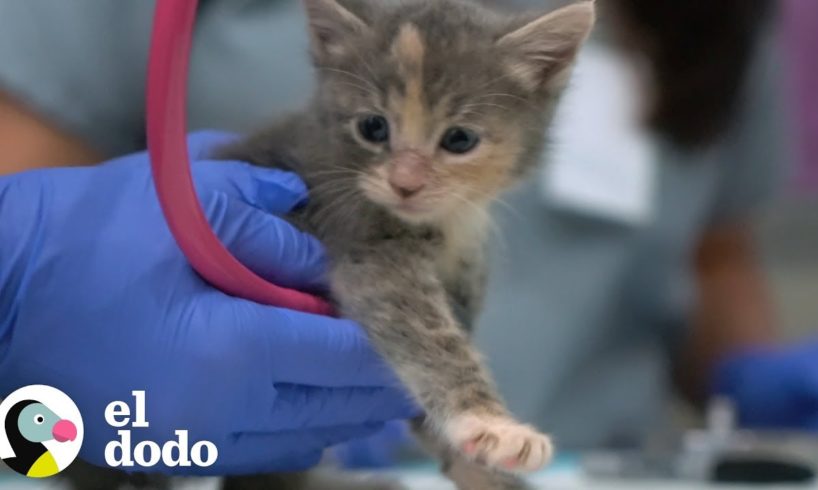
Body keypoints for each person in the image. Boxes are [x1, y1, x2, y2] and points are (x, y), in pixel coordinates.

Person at [0, 0, 814, 476]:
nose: (407, 178)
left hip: (589, 464)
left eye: (456, 143)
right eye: (375, 132)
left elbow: (714, 253)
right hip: (156, 436)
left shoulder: (714, 17)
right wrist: (29, 302)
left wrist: (751, 384)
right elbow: (26, 182)